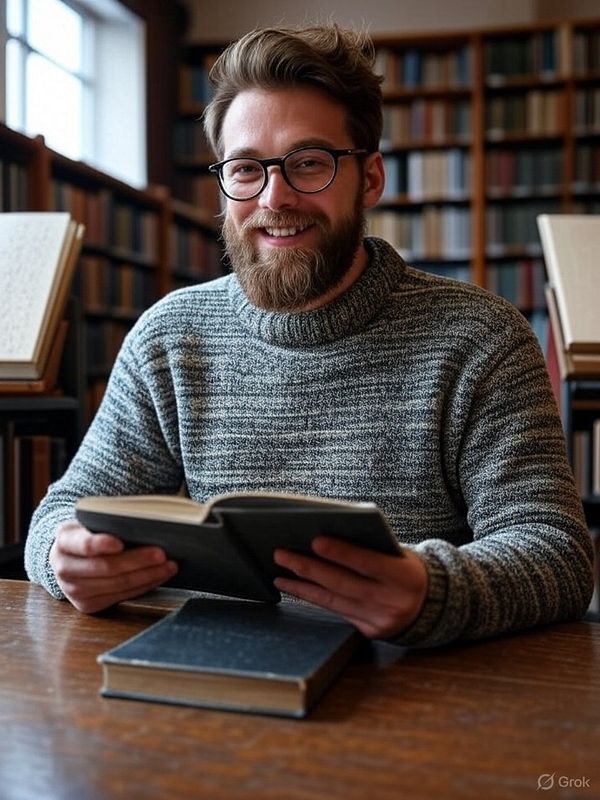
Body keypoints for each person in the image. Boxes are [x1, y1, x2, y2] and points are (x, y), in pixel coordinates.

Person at [25, 25, 593, 647]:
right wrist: (64, 557)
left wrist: (432, 591)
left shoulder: (480, 336)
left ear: (369, 179)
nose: (275, 197)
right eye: (246, 169)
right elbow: (62, 513)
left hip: (419, 696)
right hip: (213, 678)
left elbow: (557, 552)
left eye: (309, 164)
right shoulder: (170, 336)